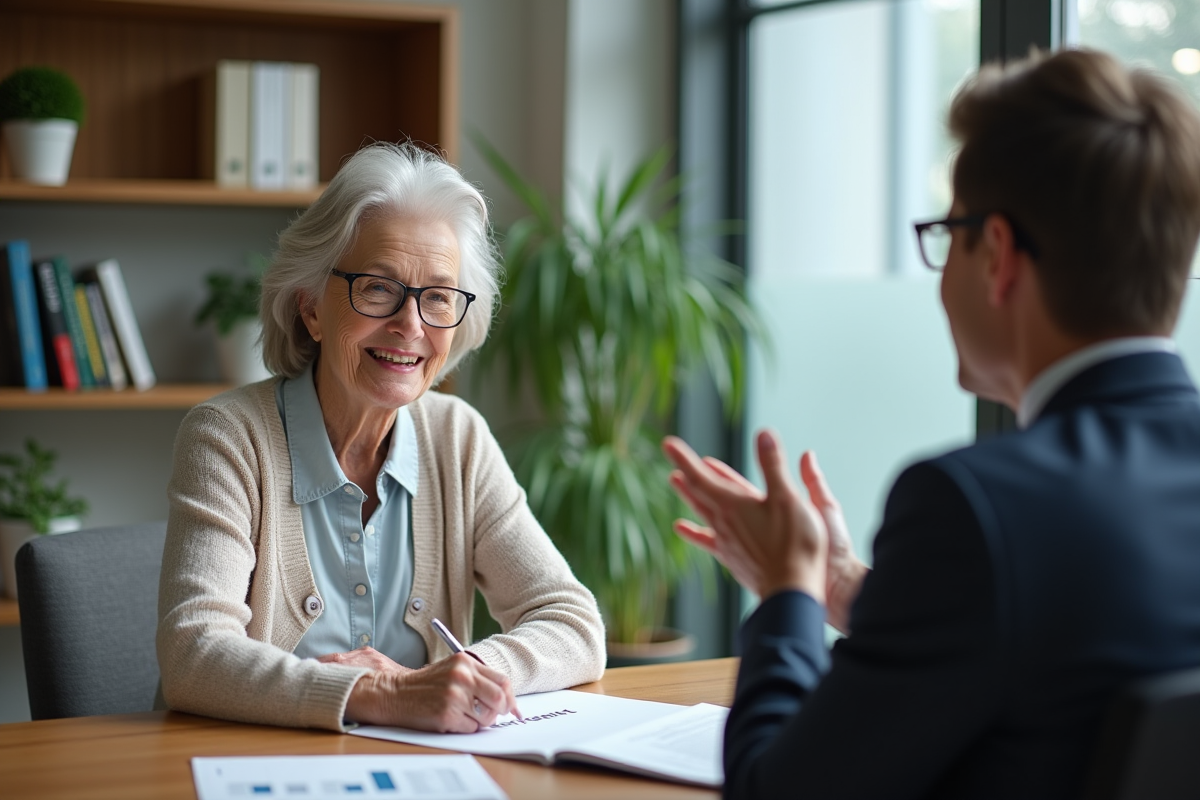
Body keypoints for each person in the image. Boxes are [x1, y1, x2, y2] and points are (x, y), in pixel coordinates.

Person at [664, 48, 1200, 798]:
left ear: (999, 257)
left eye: (948, 236)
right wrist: (847, 589)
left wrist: (788, 591)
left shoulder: (976, 508)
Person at [157, 142, 605, 734]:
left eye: (438, 297)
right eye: (377, 288)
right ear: (311, 308)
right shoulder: (229, 439)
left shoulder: (458, 438)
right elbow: (193, 655)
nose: (411, 326)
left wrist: (468, 672)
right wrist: (383, 693)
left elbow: (573, 622)